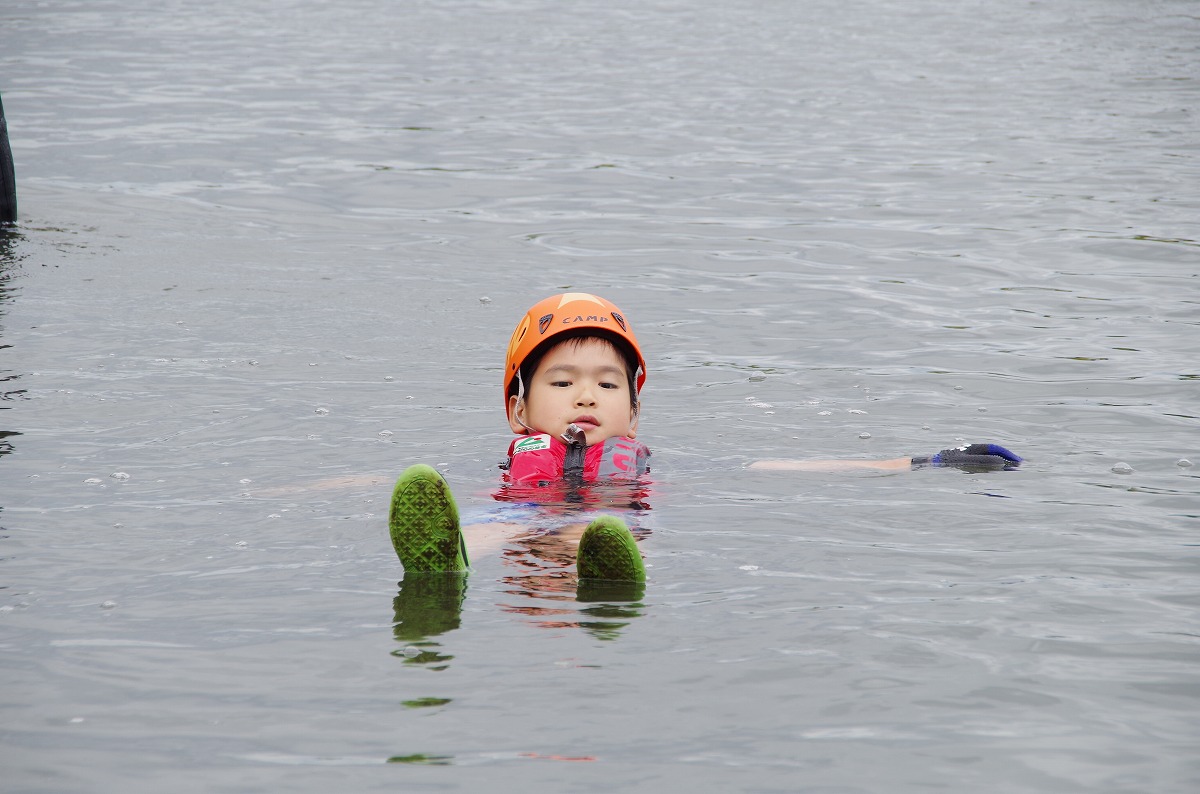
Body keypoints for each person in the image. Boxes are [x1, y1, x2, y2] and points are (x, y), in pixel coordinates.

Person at [387, 292, 1022, 585]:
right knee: (501, 523)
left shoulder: (638, 464)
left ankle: (606, 574)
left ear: (632, 416)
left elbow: (771, 467)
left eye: (608, 385)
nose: (586, 396)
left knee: (594, 527)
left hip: (607, 527)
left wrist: (924, 460)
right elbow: (379, 483)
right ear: (518, 409)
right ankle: (447, 558)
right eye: (563, 381)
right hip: (525, 525)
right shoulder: (510, 468)